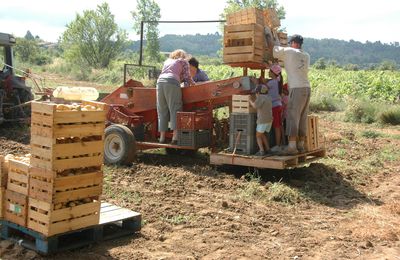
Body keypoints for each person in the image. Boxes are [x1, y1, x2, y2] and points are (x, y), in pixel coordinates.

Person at [272, 34, 311, 154]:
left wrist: (272, 36)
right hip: (307, 88)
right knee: (302, 117)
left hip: (297, 88)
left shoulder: (289, 51)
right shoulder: (306, 55)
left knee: (292, 116)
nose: (289, 45)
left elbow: (274, 50)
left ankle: (292, 147)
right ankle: (301, 146)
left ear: (293, 43)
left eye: (290, 43)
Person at [156, 49, 195, 144]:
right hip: (172, 83)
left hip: (160, 83)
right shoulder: (183, 61)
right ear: (183, 56)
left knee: (162, 110)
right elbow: (187, 77)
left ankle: (162, 138)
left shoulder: (167, 61)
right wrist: (194, 84)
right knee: (175, 108)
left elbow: (167, 74)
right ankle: (175, 137)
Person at [249, 83, 273, 156]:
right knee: (262, 134)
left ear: (258, 93)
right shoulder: (268, 97)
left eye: (256, 93)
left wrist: (250, 100)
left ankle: (262, 151)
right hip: (269, 120)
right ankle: (268, 149)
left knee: (258, 136)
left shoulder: (260, 97)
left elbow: (255, 106)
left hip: (262, 120)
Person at [267, 64, 283, 153]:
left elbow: (263, 88)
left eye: (269, 71)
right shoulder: (277, 81)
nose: (268, 72)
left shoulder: (272, 82)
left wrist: (258, 82)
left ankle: (277, 146)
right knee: (279, 125)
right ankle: (280, 144)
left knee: (276, 126)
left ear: (273, 73)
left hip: (274, 106)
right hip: (279, 105)